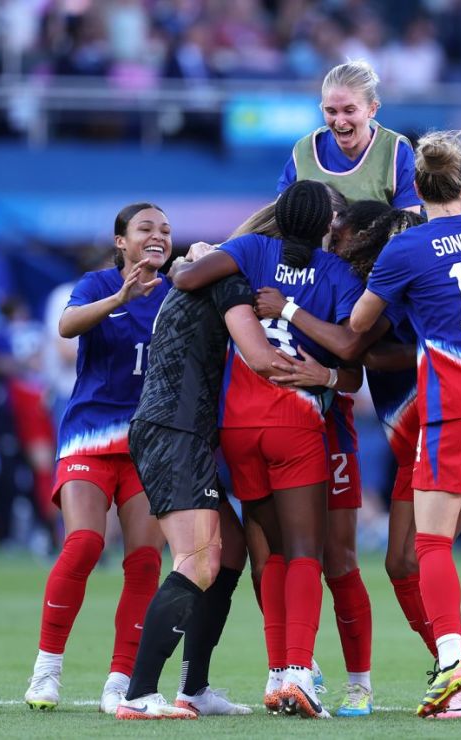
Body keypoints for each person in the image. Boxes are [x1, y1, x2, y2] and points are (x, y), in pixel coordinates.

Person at [348, 129, 461, 721]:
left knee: (429, 542)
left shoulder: (406, 249)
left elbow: (358, 322)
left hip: (457, 406)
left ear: (415, 193)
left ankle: (452, 661)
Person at [172, 179, 364, 719]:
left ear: (277, 217)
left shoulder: (253, 250)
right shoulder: (338, 274)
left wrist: (205, 256)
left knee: (268, 551)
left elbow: (186, 279)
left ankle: (279, 671)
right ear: (329, 225)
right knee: (304, 550)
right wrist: (315, 352)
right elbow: (352, 353)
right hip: (294, 417)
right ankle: (300, 672)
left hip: (237, 423)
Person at [254, 200, 441, 715]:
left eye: (342, 231)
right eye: (329, 229)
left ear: (361, 237)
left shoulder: (367, 286)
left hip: (337, 425)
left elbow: (355, 353)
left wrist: (325, 370)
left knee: (340, 561)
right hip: (268, 426)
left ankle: (363, 682)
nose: (334, 238)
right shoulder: (271, 264)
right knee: (273, 555)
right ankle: (289, 668)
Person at [114, 242, 275, 719]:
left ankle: (194, 688)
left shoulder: (201, 274)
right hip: (173, 429)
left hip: (180, 430)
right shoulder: (225, 281)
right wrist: (327, 375)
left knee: (229, 548)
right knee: (198, 560)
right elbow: (260, 357)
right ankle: (139, 695)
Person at [24, 203, 170, 713]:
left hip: (147, 445)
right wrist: (119, 297)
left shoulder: (178, 293)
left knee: (145, 561)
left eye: (165, 230)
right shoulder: (94, 285)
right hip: (89, 436)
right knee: (85, 543)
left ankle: (121, 682)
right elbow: (66, 328)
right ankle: (46, 671)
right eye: (146, 229)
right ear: (121, 243)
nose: (158, 236)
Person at [278, 59, 421, 213]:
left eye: (349, 110)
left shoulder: (396, 151)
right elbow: (282, 216)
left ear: (372, 109)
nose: (339, 122)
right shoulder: (305, 150)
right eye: (331, 111)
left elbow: (409, 224)